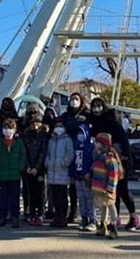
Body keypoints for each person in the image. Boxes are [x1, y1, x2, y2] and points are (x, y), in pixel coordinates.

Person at [89, 97, 140, 231]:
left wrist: (126, 156)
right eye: (94, 106)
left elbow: (123, 138)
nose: (96, 109)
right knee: (111, 192)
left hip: (119, 157)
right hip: (103, 159)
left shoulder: (112, 120)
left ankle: (133, 217)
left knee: (122, 189)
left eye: (99, 106)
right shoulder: (93, 122)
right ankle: (115, 218)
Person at [58, 92, 89, 224]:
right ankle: (69, 211)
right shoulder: (66, 115)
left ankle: (84, 214)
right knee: (70, 184)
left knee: (80, 185)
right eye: (71, 99)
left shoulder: (86, 115)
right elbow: (57, 122)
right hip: (67, 148)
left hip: (81, 150)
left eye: (76, 99)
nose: (73, 101)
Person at [0, 118, 27, 228]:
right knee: (2, 198)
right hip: (2, 175)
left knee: (14, 198)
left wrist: (20, 167)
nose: (7, 130)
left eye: (10, 128)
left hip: (15, 175)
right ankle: (2, 217)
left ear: (15, 130)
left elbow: (23, 156)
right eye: (5, 128)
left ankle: (15, 218)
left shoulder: (19, 142)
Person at [91, 132, 122, 240]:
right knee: (103, 206)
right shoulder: (98, 156)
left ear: (104, 144)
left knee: (111, 206)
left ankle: (113, 225)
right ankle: (102, 224)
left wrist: (111, 187)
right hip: (100, 187)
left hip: (107, 188)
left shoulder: (109, 158)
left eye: (97, 142)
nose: (95, 144)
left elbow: (114, 174)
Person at [46, 121, 74, 228]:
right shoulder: (51, 141)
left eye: (61, 126)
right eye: (56, 126)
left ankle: (63, 216)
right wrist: (47, 163)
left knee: (62, 196)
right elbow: (48, 154)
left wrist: (63, 163)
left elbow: (70, 154)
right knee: (55, 196)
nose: (58, 128)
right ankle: (57, 215)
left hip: (62, 172)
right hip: (52, 172)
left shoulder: (67, 140)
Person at [22, 115, 48, 226]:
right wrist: (28, 166)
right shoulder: (27, 135)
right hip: (29, 168)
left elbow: (43, 153)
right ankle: (32, 213)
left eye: (38, 122)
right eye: (33, 123)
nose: (35, 125)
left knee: (40, 192)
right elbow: (25, 152)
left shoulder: (44, 136)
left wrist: (37, 168)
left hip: (40, 169)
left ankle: (40, 214)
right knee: (30, 192)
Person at [70, 124, 96, 231]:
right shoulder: (75, 145)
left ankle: (92, 220)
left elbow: (94, 161)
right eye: (78, 133)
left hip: (87, 177)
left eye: (82, 132)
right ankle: (84, 218)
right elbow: (73, 161)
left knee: (89, 198)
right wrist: (72, 174)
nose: (79, 135)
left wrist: (90, 172)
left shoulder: (90, 146)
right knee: (81, 198)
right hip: (77, 176)